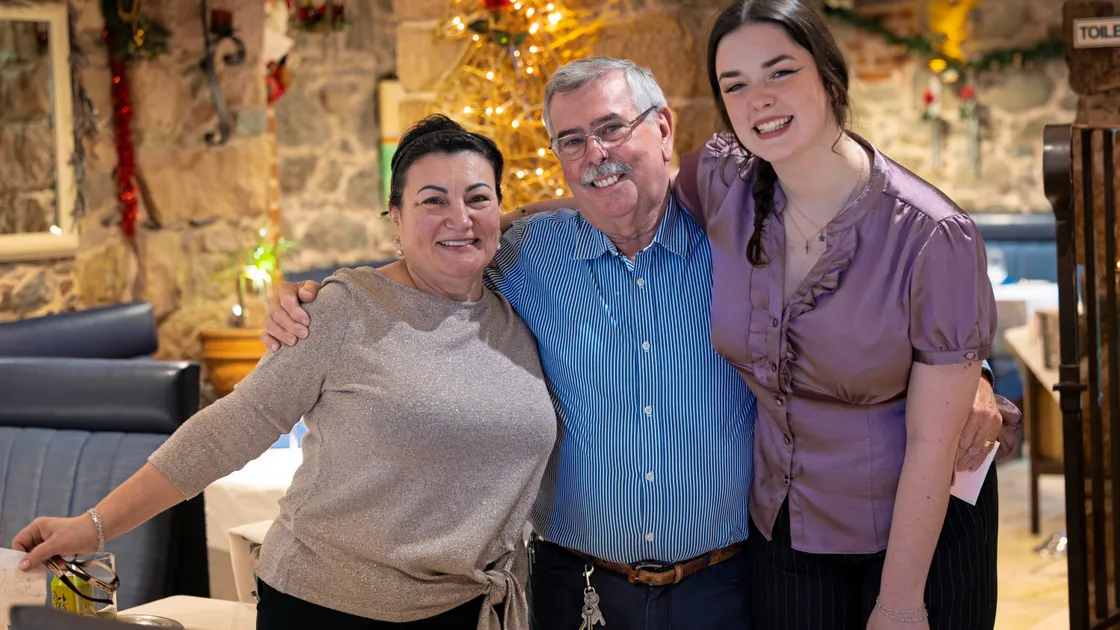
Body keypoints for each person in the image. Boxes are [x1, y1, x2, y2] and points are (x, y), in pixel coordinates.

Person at [261, 58, 1020, 629]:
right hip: (577, 591)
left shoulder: (748, 242)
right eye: (572, 140)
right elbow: (431, 261)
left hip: (728, 585)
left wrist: (970, 374)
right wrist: (317, 293)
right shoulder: (525, 255)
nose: (595, 153)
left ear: (663, 131)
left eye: (612, 127)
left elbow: (872, 296)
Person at [12, 115, 558, 630]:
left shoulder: (519, 299)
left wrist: (493, 219)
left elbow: (597, 209)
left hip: (473, 610)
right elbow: (233, 425)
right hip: (332, 608)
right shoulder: (345, 308)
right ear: (394, 218)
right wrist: (94, 525)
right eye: (432, 200)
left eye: (477, 198)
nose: (458, 217)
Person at [669, 1, 1009, 628]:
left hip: (919, 536)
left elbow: (935, 440)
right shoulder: (723, 180)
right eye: (734, 84)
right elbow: (627, 203)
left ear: (829, 76)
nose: (758, 100)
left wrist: (901, 601)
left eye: (780, 72)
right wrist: (483, 229)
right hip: (786, 525)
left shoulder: (933, 234)